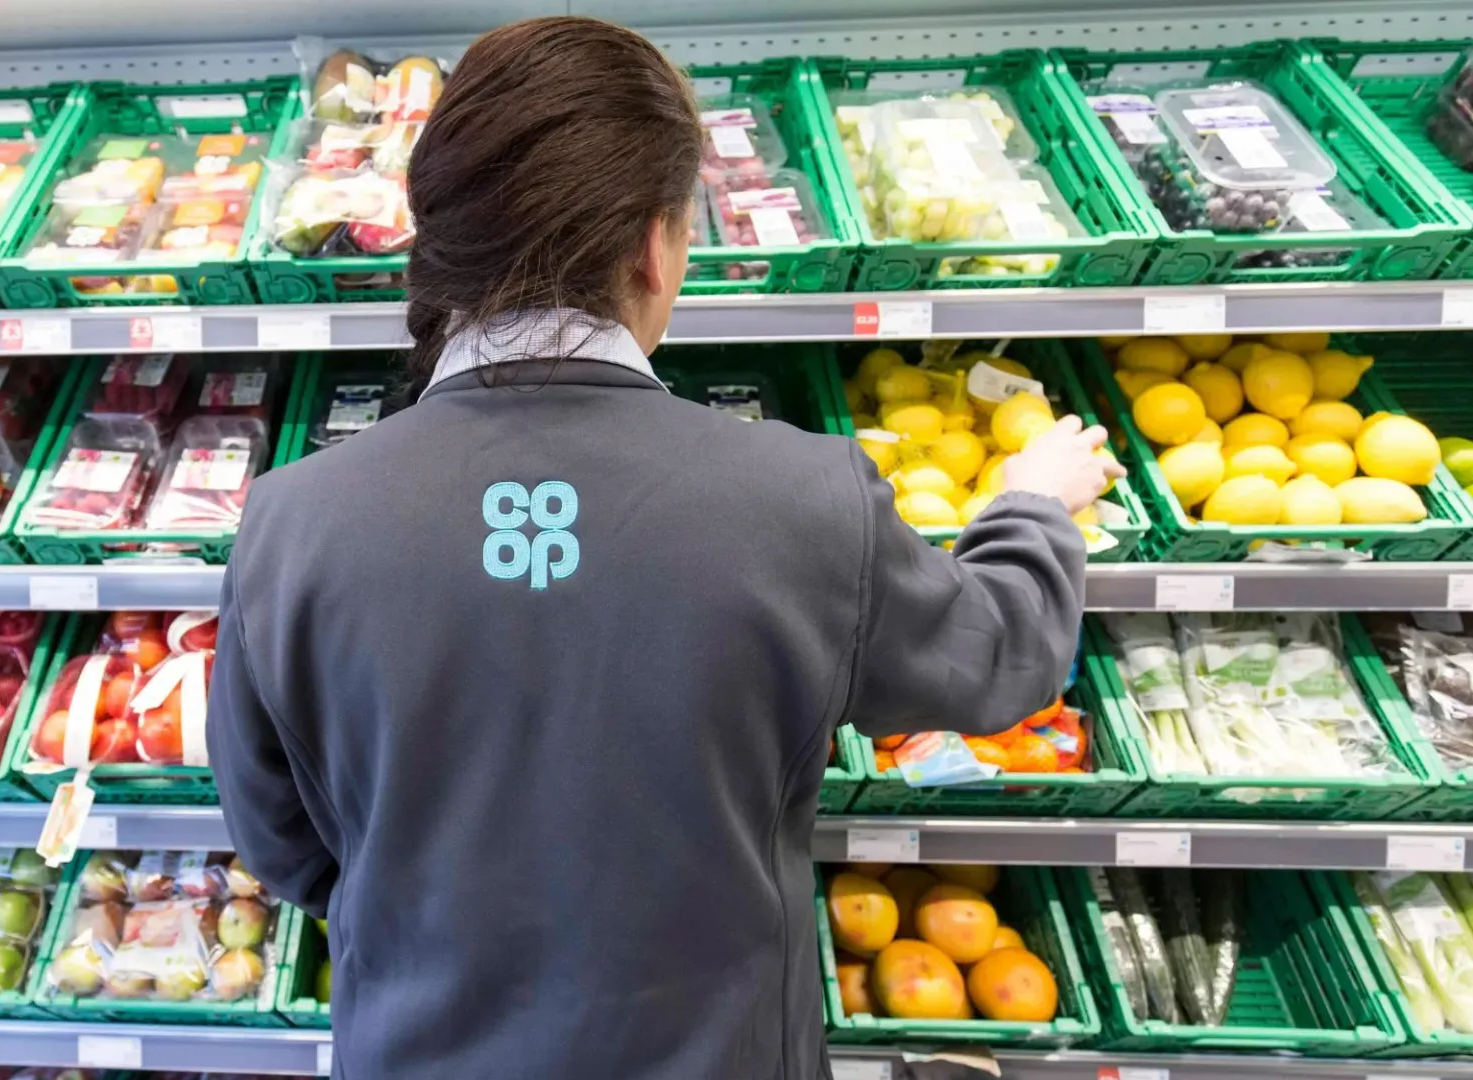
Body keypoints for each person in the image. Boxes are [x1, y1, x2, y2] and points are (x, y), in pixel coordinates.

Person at [208, 15, 1121, 1080]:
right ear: (656, 244)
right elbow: (1000, 659)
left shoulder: (291, 520)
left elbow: (283, 840)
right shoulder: (802, 498)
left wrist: (425, 913)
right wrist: (1031, 505)